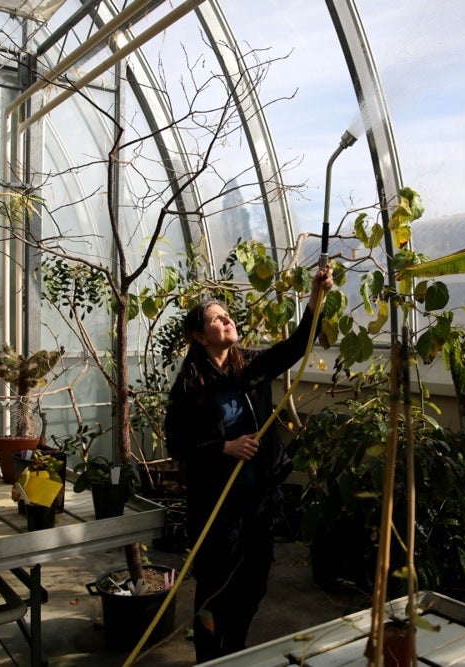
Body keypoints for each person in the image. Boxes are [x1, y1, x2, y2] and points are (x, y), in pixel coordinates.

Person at [164, 267, 333, 662]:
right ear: (198, 336)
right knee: (214, 589)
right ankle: (209, 657)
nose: (226, 320)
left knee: (254, 584)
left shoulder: (249, 367)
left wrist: (315, 298)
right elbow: (177, 444)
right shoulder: (190, 387)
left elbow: (296, 346)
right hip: (218, 508)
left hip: (259, 501)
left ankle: (234, 651)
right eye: (215, 319)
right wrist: (223, 448)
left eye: (226, 315)